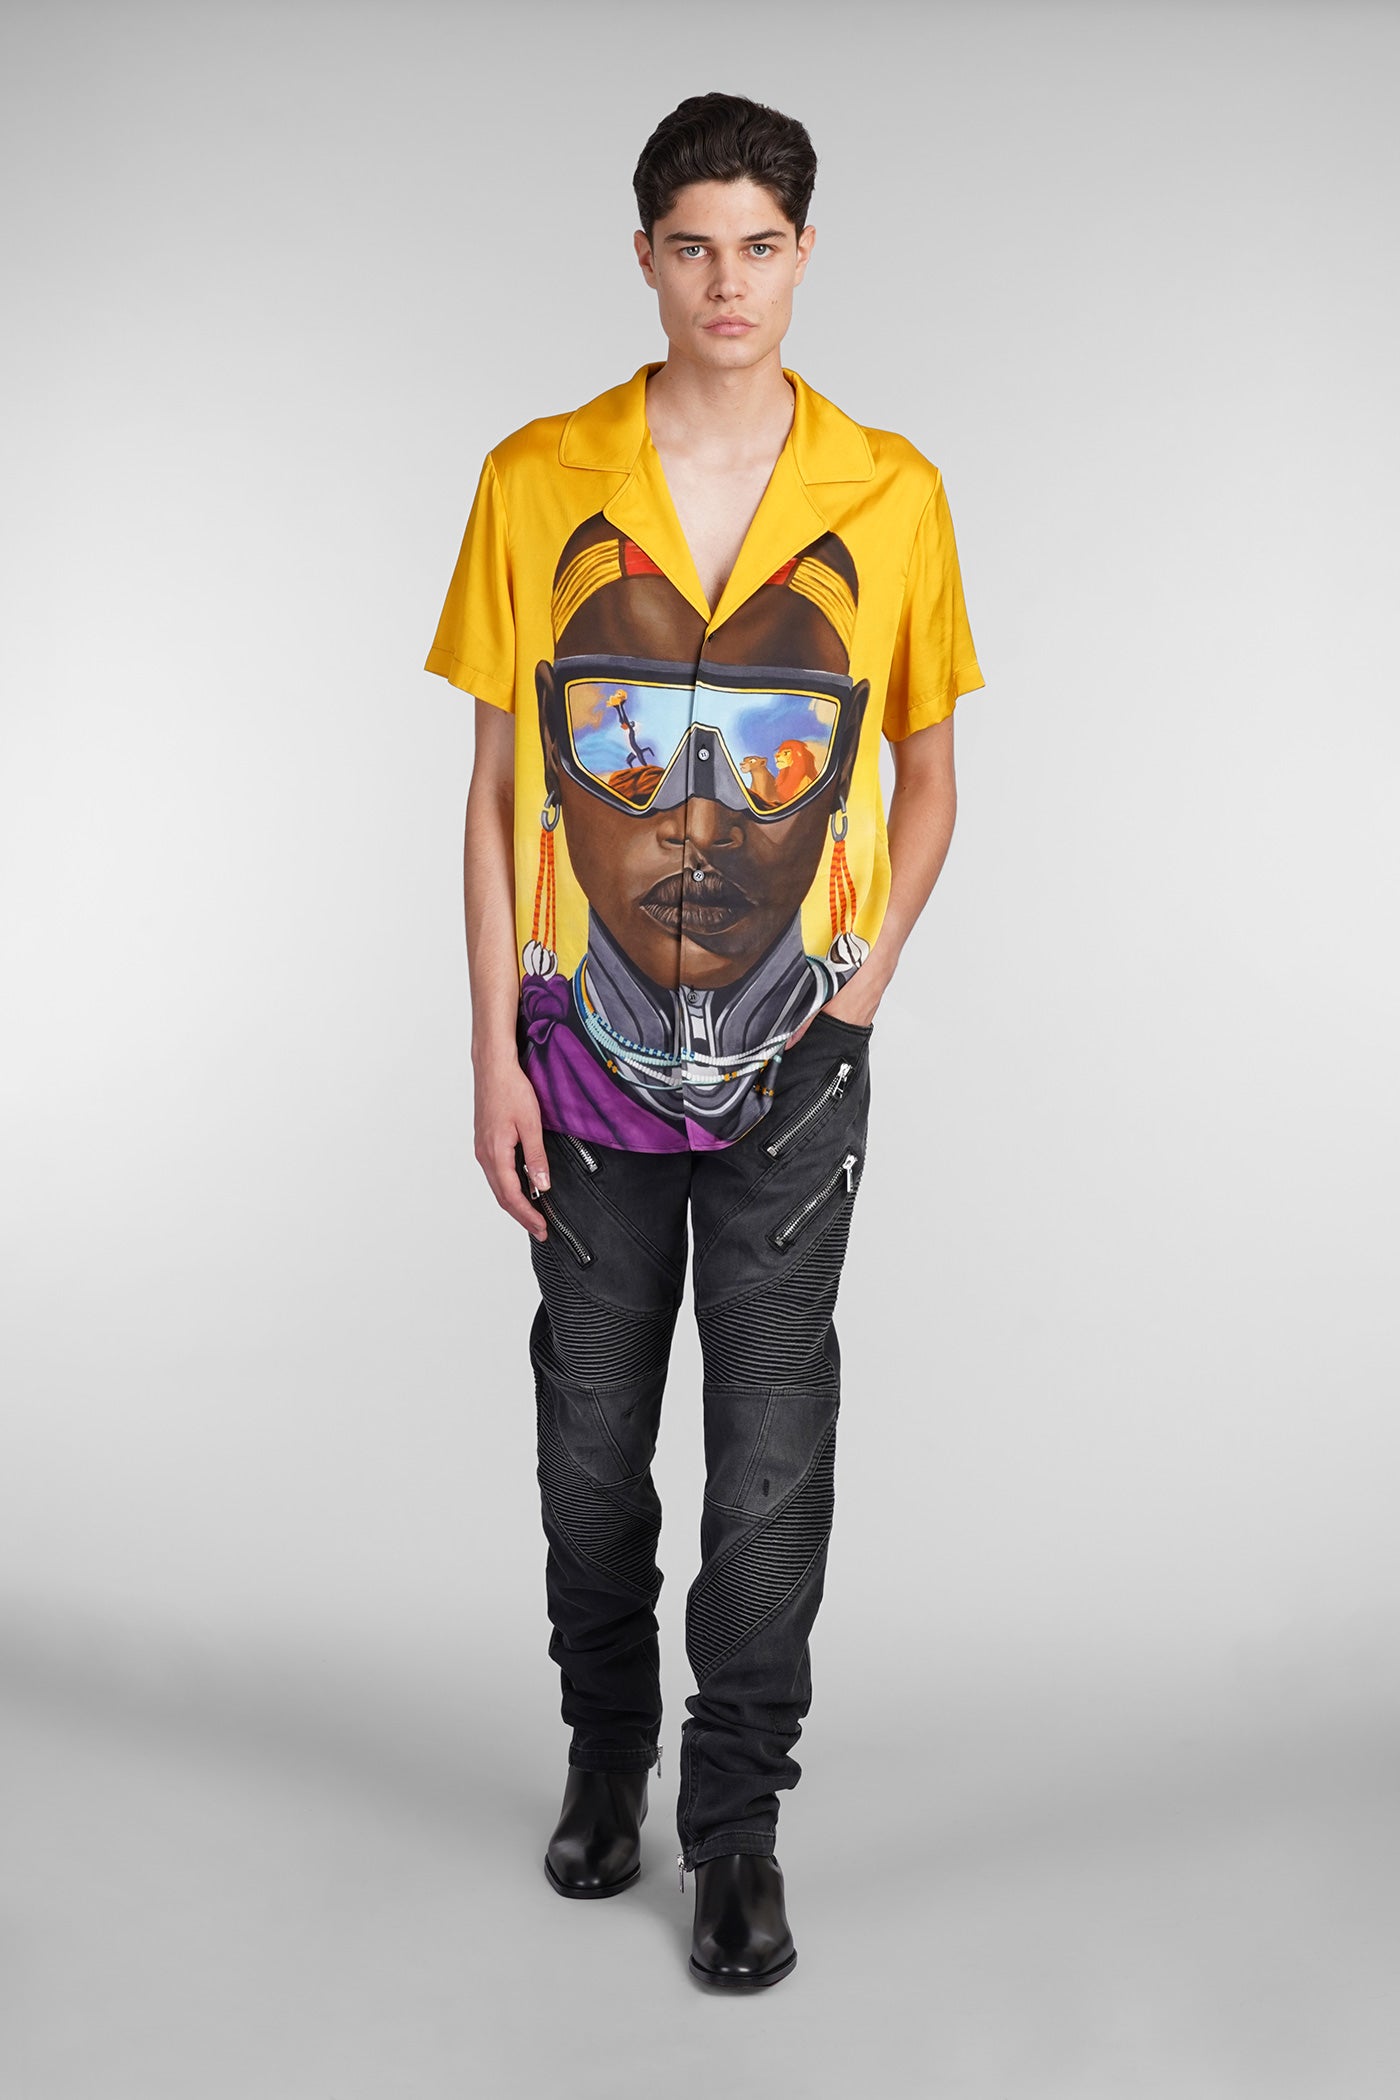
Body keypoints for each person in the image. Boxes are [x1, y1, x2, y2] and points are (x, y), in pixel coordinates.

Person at [424, 90, 984, 1988]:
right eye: (692, 247)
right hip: (575, 1063)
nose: (726, 282)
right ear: (645, 256)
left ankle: (736, 1826)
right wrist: (490, 1054)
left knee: (768, 1458)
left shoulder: (892, 495)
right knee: (591, 1442)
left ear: (805, 255)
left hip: (799, 1074)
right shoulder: (534, 480)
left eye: (760, 246)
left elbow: (930, 778)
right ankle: (609, 1757)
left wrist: (862, 990)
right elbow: (494, 788)